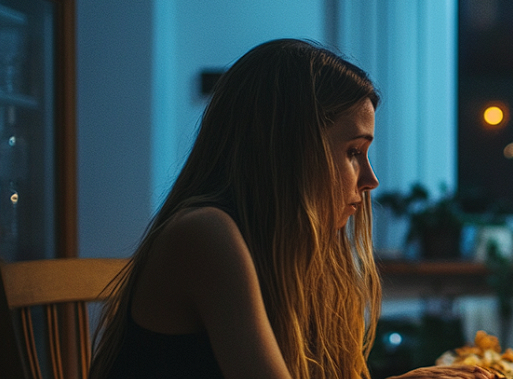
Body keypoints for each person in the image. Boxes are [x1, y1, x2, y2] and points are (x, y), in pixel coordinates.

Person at [89, 39, 492, 379]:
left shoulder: (293, 252)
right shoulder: (206, 233)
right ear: (289, 152)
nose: (370, 180)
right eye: (353, 152)